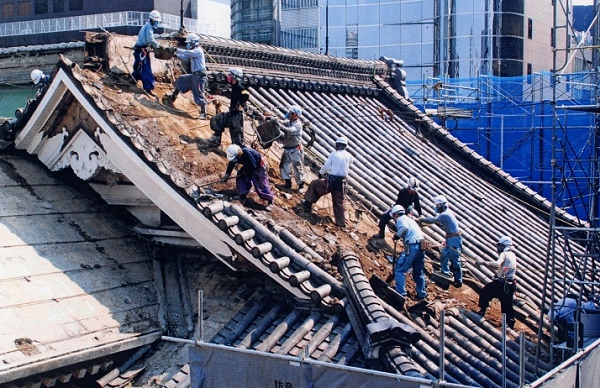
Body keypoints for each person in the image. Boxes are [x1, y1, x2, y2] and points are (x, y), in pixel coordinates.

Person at [299, 137, 353, 227]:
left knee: (315, 184)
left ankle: (307, 203)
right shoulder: (349, 156)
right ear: (345, 146)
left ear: (336, 145)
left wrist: (321, 173)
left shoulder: (334, 154)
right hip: (342, 182)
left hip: (331, 181)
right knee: (339, 201)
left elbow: (326, 166)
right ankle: (341, 222)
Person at [418, 195, 463, 288]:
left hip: (454, 239)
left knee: (454, 260)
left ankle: (458, 280)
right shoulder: (444, 214)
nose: (436, 207)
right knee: (444, 255)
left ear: (443, 205)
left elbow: (433, 220)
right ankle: (444, 272)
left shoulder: (445, 214)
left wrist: (421, 219)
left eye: (438, 205)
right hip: (450, 238)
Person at [476, 236, 518, 329]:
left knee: (485, 292)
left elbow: (496, 265)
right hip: (510, 284)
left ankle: (482, 310)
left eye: (499, 245)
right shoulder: (513, 255)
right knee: (507, 304)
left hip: (501, 283)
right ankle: (510, 323)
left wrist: (483, 262)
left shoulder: (504, 254)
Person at [390, 205, 427, 300]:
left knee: (399, 270)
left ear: (395, 214)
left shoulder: (401, 219)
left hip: (412, 246)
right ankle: (421, 294)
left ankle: (401, 294)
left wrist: (397, 235)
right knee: (418, 272)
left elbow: (404, 228)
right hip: (422, 246)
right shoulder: (410, 219)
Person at [167, 33, 207, 119]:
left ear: (194, 42)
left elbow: (187, 53)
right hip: (194, 75)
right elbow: (186, 57)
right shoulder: (194, 52)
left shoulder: (198, 51)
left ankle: (203, 113)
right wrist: (176, 55)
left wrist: (176, 49)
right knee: (182, 79)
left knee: (199, 93)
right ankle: (173, 96)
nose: (188, 44)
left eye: (189, 43)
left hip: (199, 76)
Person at [221, 144, 274, 208]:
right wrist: (227, 174)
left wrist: (244, 172)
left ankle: (270, 200)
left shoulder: (246, 153)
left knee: (261, 183)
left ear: (238, 154)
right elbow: (232, 163)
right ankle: (242, 195)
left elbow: (253, 165)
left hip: (259, 166)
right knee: (241, 178)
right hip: (249, 165)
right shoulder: (236, 156)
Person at [208, 68, 249, 147]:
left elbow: (246, 94)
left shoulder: (240, 87)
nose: (228, 76)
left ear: (234, 77)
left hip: (236, 117)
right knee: (216, 120)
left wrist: (241, 103)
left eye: (230, 75)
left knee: (238, 141)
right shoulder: (233, 86)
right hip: (231, 113)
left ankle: (241, 156)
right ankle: (216, 140)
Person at [132, 10, 162, 95]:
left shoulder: (147, 26)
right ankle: (148, 88)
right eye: (156, 22)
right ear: (152, 20)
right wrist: (158, 45)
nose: (157, 23)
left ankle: (133, 79)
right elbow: (150, 40)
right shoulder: (149, 27)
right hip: (142, 50)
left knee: (138, 66)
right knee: (146, 69)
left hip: (139, 49)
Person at [278, 105, 306, 191]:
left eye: (292, 113)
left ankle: (301, 185)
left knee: (297, 166)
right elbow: (283, 122)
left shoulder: (298, 125)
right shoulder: (289, 121)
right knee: (284, 165)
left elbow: (290, 131)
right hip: (287, 148)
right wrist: (276, 120)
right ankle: (287, 182)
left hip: (295, 149)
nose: (290, 114)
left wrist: (281, 127)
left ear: (296, 115)